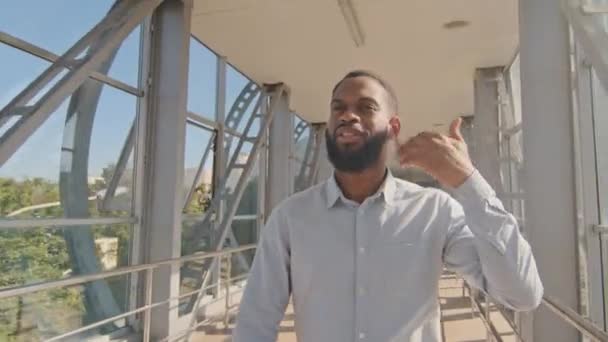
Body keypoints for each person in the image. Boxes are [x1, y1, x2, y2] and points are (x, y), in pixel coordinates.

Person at [232, 70, 543, 342]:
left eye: (365, 107)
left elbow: (522, 294)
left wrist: (467, 181)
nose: (347, 115)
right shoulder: (290, 218)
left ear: (393, 128)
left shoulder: (435, 210)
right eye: (338, 108)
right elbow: (255, 324)